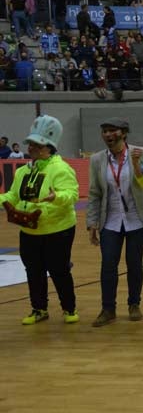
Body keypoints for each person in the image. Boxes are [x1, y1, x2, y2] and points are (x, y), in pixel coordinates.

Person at [2, 116, 81, 326]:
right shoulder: (23, 171)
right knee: (33, 271)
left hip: (58, 230)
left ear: (50, 147)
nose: (32, 148)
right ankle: (39, 309)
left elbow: (71, 194)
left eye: (38, 145)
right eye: (31, 144)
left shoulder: (61, 169)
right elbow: (13, 196)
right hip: (29, 230)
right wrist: (3, 201)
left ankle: (68, 308)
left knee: (59, 270)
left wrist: (56, 197)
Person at [86, 117, 143, 326]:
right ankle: (108, 309)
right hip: (110, 221)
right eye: (104, 131)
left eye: (112, 131)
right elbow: (95, 193)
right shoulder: (97, 160)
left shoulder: (141, 153)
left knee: (134, 264)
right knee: (108, 266)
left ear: (123, 133)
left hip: (137, 220)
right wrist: (92, 223)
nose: (107, 135)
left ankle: (134, 304)